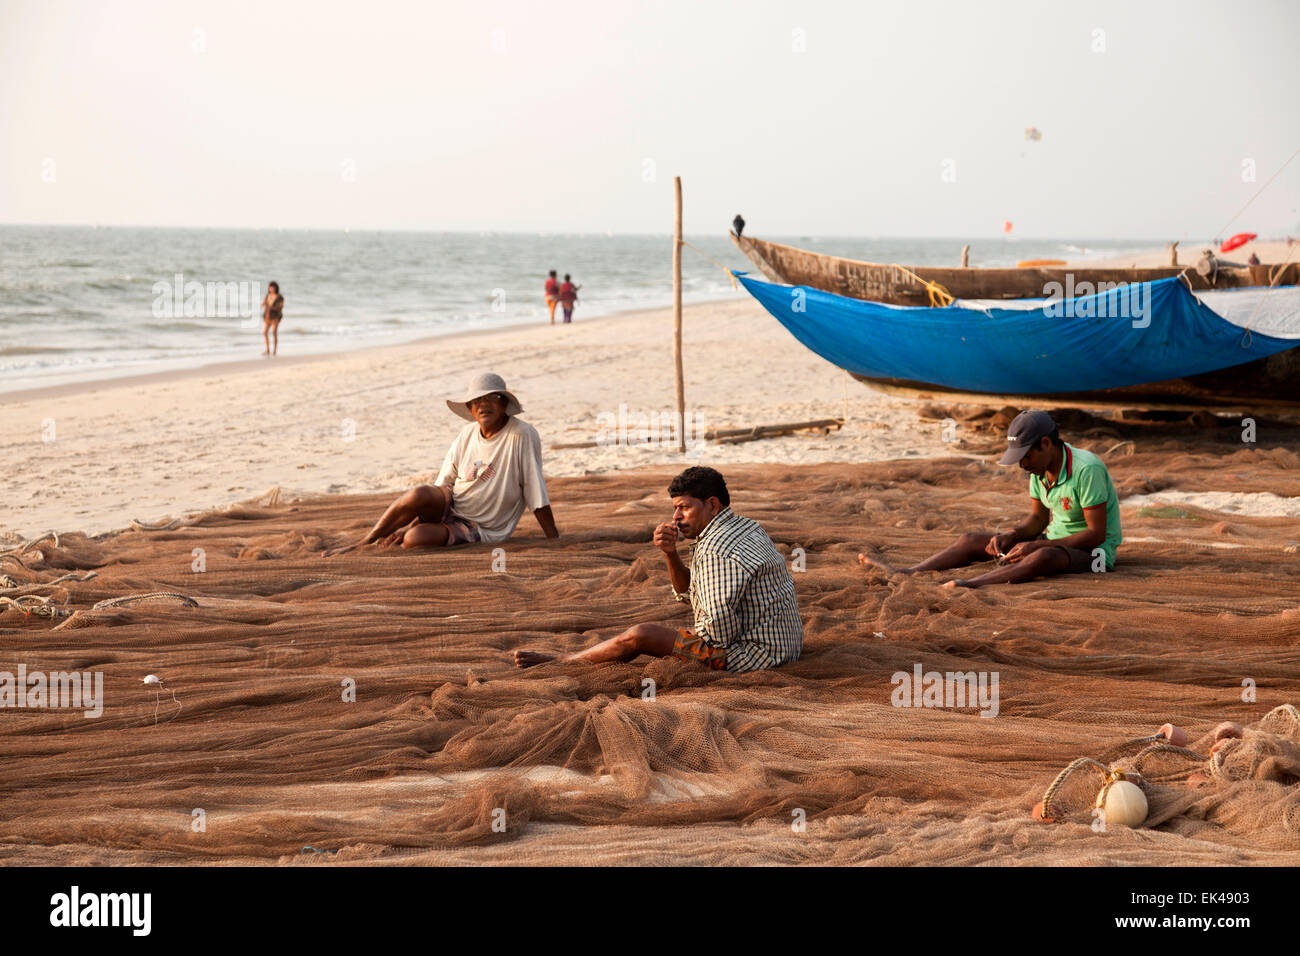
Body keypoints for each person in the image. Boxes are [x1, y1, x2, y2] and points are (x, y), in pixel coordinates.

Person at [515, 466, 803, 671]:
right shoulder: (745, 525)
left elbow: (718, 637)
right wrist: (670, 554)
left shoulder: (717, 550)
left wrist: (674, 641)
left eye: (684, 508)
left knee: (642, 634)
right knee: (655, 634)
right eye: (675, 509)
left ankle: (566, 661)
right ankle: (577, 658)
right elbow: (693, 593)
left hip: (756, 657)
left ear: (712, 505)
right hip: (787, 646)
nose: (676, 518)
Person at [857, 410, 1121, 589]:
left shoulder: (1087, 469)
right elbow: (1038, 518)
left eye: (1025, 457)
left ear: (1045, 444)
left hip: (1094, 554)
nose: (1022, 466)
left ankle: (972, 584)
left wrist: (1038, 547)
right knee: (971, 540)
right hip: (1052, 541)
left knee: (1043, 557)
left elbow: (1096, 534)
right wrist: (1013, 534)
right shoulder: (1037, 469)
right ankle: (909, 571)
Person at [323, 373, 559, 556]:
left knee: (413, 539)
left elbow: (535, 491)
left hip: (482, 527)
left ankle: (414, 532)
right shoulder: (467, 434)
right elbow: (443, 485)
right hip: (453, 505)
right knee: (420, 493)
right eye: (477, 400)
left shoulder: (521, 435)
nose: (483, 405)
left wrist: (555, 541)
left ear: (504, 403)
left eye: (491, 398)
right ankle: (364, 541)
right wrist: (411, 521)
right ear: (470, 408)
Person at [262, 281, 284, 356]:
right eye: (270, 287)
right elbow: (264, 304)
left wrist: (271, 308)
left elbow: (280, 307)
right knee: (264, 332)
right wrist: (265, 306)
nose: (272, 289)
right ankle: (268, 349)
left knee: (274, 333)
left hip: (275, 317)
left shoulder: (279, 297)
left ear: (276, 288)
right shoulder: (268, 296)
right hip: (267, 317)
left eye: (273, 287)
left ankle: (274, 350)